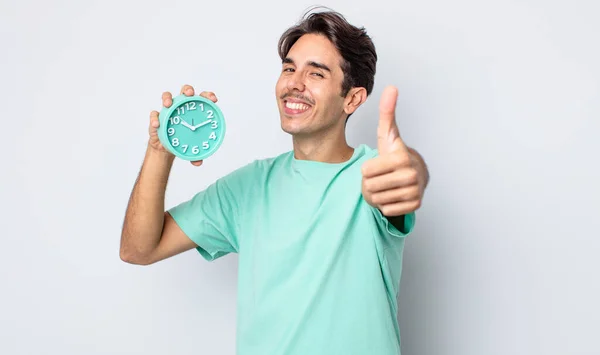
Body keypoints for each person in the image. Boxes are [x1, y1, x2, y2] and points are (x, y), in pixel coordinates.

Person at [120, 8, 429, 355]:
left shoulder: (373, 174)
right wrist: (160, 149)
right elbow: (138, 249)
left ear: (352, 98)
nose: (294, 83)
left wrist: (409, 170)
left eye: (316, 73)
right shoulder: (248, 187)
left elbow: (402, 177)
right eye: (288, 69)